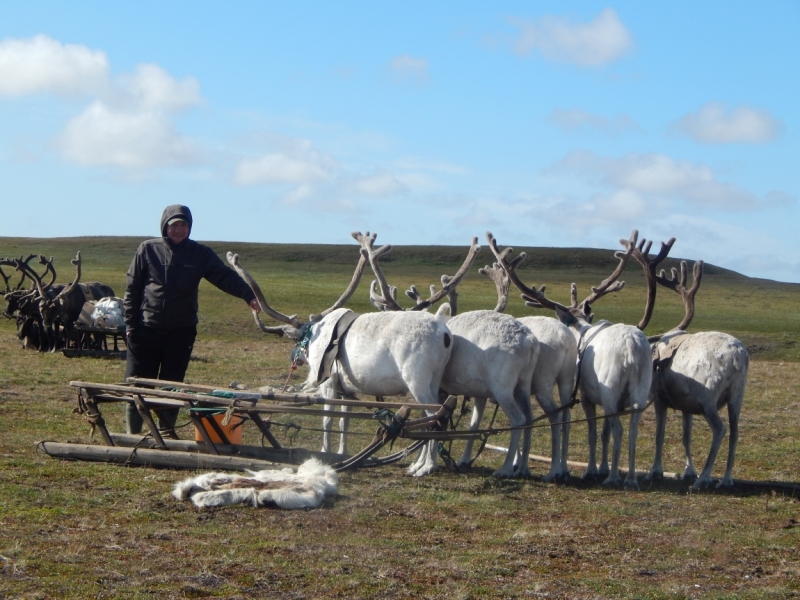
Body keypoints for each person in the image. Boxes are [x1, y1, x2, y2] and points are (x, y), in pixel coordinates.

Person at [123, 204, 260, 435]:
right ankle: (132, 435)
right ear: (165, 226)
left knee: (172, 386)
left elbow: (224, 276)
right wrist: (130, 326)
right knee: (137, 385)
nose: (179, 230)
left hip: (181, 331)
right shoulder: (147, 250)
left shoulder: (200, 254)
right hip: (145, 330)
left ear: (190, 227)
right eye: (174, 225)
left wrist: (248, 295)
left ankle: (165, 434)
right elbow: (132, 288)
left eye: (183, 225)